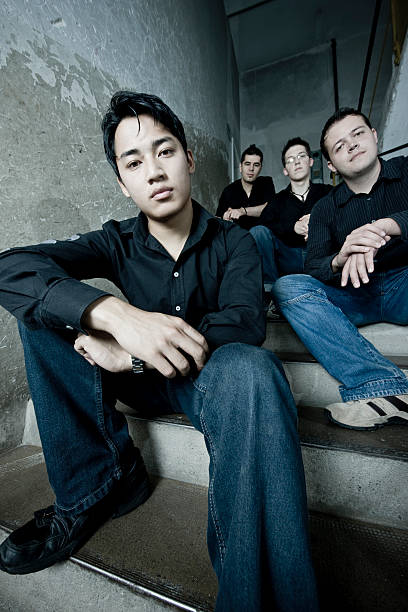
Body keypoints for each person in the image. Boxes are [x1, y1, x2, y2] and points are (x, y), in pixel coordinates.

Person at [0, 91, 318, 611]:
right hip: (140, 389)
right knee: (43, 310)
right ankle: (99, 487)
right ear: (123, 184)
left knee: (254, 368)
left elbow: (241, 323)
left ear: (189, 159)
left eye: (165, 151)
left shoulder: (233, 241)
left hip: (208, 378)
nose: (154, 171)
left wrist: (137, 353)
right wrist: (116, 316)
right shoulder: (115, 240)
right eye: (134, 161)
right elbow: (9, 268)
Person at [272, 107, 408, 430]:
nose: (351, 145)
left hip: (404, 283)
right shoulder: (324, 208)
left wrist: (387, 226)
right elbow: (314, 267)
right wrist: (339, 257)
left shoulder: (405, 170)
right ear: (331, 164)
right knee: (287, 287)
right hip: (355, 294)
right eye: (339, 145)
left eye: (358, 134)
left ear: (374, 137)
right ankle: (383, 386)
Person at [250, 138, 331, 288]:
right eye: (291, 159)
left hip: (321, 256)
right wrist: (292, 227)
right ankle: (270, 291)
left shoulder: (327, 192)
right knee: (258, 232)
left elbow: (344, 214)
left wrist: (317, 219)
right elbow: (263, 225)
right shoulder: (277, 200)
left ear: (311, 161)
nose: (297, 162)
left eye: (301, 156)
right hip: (289, 258)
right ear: (285, 170)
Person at [216, 144, 275, 230]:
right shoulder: (229, 191)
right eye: (247, 164)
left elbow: (270, 209)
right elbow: (218, 219)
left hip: (262, 237)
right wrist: (225, 218)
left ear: (260, 168)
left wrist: (242, 211)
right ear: (241, 167)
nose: (251, 168)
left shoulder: (266, 183)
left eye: (256, 165)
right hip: (239, 238)